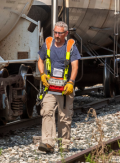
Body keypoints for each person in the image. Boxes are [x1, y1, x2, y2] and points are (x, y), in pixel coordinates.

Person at [37, 21, 81, 153]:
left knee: (64, 116)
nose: (56, 35)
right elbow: (40, 60)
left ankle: (64, 145)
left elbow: (75, 66)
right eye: (55, 32)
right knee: (47, 112)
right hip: (50, 87)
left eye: (59, 33)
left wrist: (71, 82)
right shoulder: (48, 44)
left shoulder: (71, 47)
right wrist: (42, 74)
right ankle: (48, 143)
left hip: (65, 88)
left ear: (66, 33)